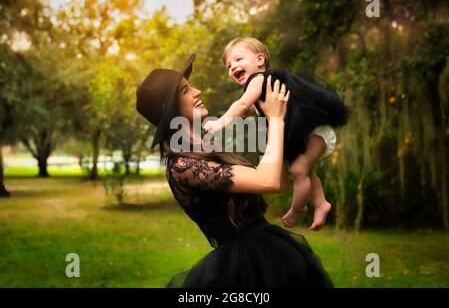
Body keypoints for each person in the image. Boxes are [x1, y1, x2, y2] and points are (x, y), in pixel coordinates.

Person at [136, 54, 333, 287]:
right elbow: (267, 181)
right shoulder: (182, 165)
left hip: (268, 247)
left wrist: (272, 120)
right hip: (243, 270)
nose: (197, 91)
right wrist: (276, 119)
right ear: (169, 111)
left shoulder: (206, 148)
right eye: (185, 91)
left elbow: (279, 183)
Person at [203, 37, 350, 230]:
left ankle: (298, 209)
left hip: (316, 132)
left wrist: (221, 122)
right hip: (304, 135)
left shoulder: (259, 80)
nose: (233, 67)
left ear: (260, 60)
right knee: (304, 170)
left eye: (238, 60)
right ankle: (321, 203)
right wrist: (250, 112)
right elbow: (257, 108)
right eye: (229, 66)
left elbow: (242, 104)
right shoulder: (267, 85)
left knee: (299, 170)